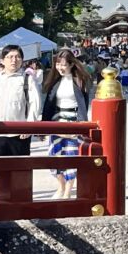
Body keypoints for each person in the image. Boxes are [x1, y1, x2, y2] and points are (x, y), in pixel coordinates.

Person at [0, 45, 43, 203]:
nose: (14, 60)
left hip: (19, 131)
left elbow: (35, 103)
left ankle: (18, 198)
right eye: (10, 57)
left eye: (18, 56)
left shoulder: (27, 79)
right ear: (2, 60)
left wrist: (30, 125)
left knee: (18, 167)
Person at [42, 49, 91, 200]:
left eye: (63, 64)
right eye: (57, 64)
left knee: (71, 155)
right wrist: (43, 128)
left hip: (73, 121)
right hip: (56, 121)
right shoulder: (54, 81)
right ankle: (60, 186)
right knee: (54, 156)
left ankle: (68, 190)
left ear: (71, 64)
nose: (60, 67)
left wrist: (83, 125)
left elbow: (84, 104)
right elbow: (48, 105)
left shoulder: (79, 80)